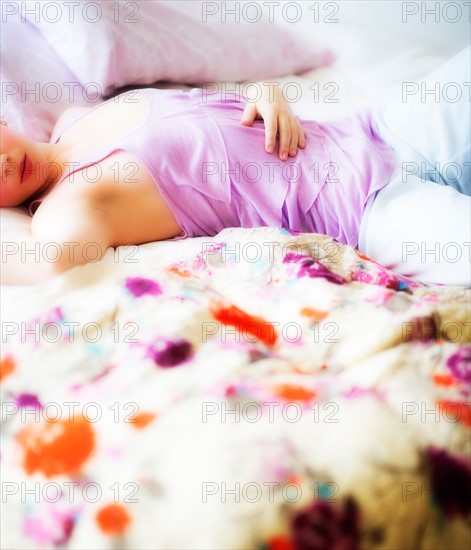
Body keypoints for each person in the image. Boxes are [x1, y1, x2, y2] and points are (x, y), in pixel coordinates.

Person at [1, 47, 469, 287]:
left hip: (374, 130)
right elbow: (51, 260)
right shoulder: (67, 206)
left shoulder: (74, 118)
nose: (2, 165)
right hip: (372, 210)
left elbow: (203, 117)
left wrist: (263, 93)